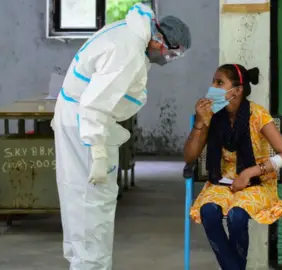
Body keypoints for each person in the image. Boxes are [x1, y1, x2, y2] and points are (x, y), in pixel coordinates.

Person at [51, 3, 191, 270]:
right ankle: (89, 265)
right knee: (92, 204)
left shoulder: (130, 34)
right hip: (87, 126)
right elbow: (94, 104)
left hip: (81, 120)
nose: (166, 60)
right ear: (159, 38)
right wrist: (99, 153)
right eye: (170, 54)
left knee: (79, 198)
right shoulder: (129, 51)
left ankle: (82, 262)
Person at [183, 64, 282, 270]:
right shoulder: (212, 115)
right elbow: (189, 156)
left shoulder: (257, 115)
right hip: (223, 182)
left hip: (257, 183)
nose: (212, 87)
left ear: (238, 90)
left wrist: (251, 172)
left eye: (219, 83)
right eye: (213, 82)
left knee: (237, 215)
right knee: (209, 212)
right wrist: (199, 121)